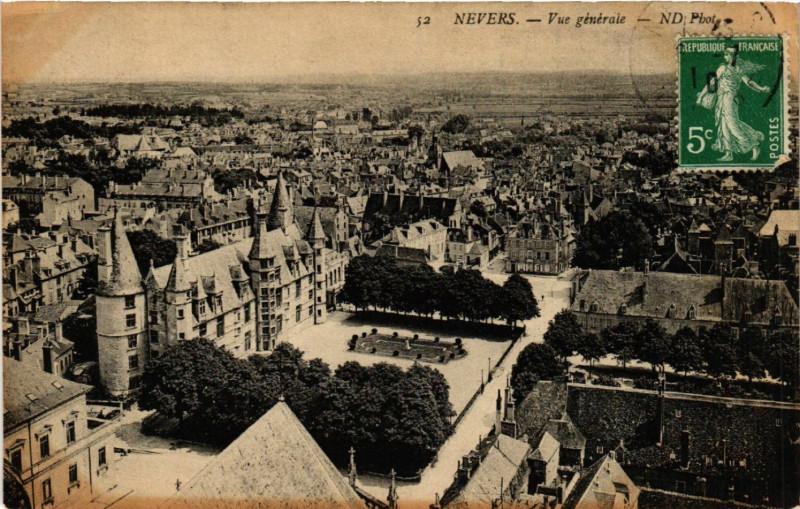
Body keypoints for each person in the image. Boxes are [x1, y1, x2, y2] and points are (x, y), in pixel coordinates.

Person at [696, 45, 770, 162]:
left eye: (731, 54)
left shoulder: (738, 69)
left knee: (732, 124)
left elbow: (749, 83)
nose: (728, 56)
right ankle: (728, 153)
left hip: (730, 99)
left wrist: (761, 89)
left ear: (736, 56)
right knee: (723, 124)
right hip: (722, 99)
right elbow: (712, 83)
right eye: (727, 53)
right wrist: (701, 96)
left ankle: (754, 145)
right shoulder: (722, 68)